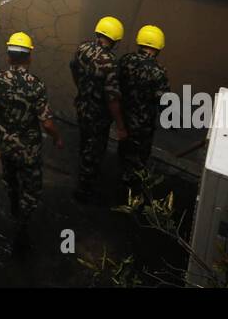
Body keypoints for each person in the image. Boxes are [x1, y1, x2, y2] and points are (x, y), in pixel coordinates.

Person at [0, 32, 63, 252]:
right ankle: (22, 226)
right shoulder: (36, 86)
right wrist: (57, 138)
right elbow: (47, 124)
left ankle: (13, 207)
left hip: (7, 146)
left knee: (10, 179)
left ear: (9, 57)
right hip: (29, 150)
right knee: (32, 189)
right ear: (29, 58)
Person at [70, 16, 126, 203]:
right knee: (94, 150)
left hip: (82, 105)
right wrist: (120, 125)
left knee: (85, 141)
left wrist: (81, 88)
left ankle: (82, 172)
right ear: (116, 39)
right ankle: (84, 192)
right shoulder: (110, 63)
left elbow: (73, 67)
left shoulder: (83, 48)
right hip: (98, 115)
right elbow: (112, 98)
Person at [115, 24, 169, 192]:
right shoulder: (158, 72)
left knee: (124, 151)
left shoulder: (125, 60)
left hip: (123, 118)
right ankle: (130, 193)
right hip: (142, 125)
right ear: (158, 47)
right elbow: (164, 101)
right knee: (138, 159)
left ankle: (121, 178)